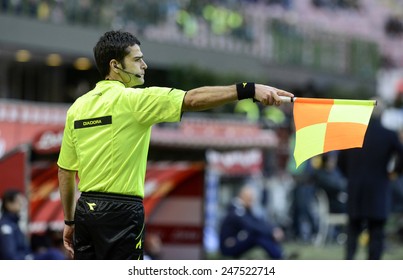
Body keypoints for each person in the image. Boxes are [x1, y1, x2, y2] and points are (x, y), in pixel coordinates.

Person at [57, 30, 294, 260]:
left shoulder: (77, 108)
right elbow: (192, 99)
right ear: (115, 65)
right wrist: (249, 89)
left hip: (85, 211)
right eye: (137, 59)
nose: (145, 65)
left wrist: (69, 221)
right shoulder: (134, 100)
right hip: (121, 212)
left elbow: (65, 171)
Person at [337, 99, 403, 260]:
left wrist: (350, 175)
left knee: (353, 230)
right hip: (378, 187)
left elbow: (340, 162)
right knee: (376, 231)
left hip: (356, 188)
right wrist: (394, 172)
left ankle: (349, 263)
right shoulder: (388, 134)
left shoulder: (352, 133)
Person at [219, 185, 286, 259]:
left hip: (237, 240)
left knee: (260, 233)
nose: (252, 201)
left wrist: (273, 229)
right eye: (250, 198)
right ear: (243, 197)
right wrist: (271, 232)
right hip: (229, 246)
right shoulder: (236, 210)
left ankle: (279, 254)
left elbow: (258, 221)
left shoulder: (243, 209)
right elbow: (251, 225)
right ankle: (278, 256)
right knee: (257, 234)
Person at [0, 189, 32, 260]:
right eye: (18, 201)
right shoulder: (5, 226)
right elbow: (9, 255)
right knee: (52, 255)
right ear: (8, 204)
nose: (21, 204)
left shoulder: (13, 224)